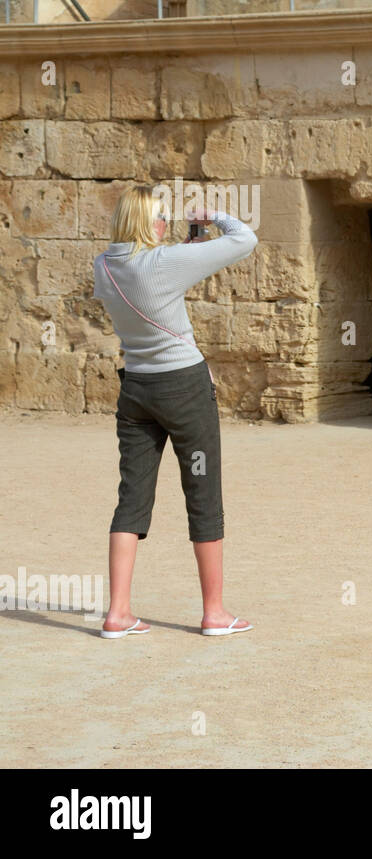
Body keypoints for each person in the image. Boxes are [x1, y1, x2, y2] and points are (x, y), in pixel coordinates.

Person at [91, 184, 259, 638]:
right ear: (147, 223)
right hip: (183, 387)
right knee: (203, 493)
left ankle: (117, 613)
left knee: (131, 498)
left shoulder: (103, 266)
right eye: (160, 217)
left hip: (137, 391)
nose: (165, 223)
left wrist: (180, 254)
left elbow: (149, 283)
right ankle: (215, 613)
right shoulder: (165, 262)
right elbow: (245, 239)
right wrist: (216, 215)